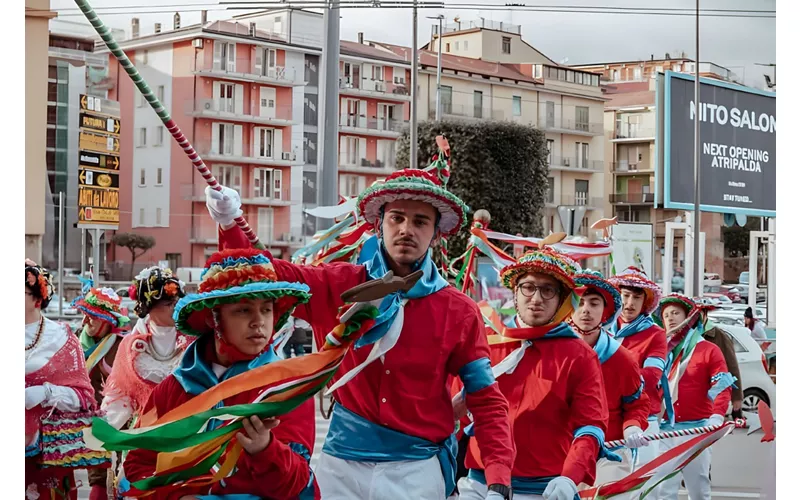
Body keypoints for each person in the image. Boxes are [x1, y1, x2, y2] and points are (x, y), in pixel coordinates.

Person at [206, 167, 514, 499]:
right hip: (341, 467)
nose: (406, 230)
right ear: (379, 225)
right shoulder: (339, 283)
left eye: (420, 222)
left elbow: (486, 400)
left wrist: (498, 478)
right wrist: (230, 222)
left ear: (437, 233)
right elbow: (262, 274)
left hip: (417, 472)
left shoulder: (460, 310)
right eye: (396, 218)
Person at [121, 247, 318, 499]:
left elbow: (297, 486)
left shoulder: (287, 388)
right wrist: (177, 496)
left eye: (266, 309)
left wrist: (265, 449)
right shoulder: (175, 388)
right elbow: (138, 465)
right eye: (244, 310)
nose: (259, 321)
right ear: (214, 318)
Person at [456, 248, 608, 500]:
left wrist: (570, 478)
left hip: (544, 491)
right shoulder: (485, 342)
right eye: (528, 287)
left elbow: (591, 426)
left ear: (562, 299)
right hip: (480, 487)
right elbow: (455, 415)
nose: (536, 298)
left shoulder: (579, 356)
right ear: (515, 293)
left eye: (547, 290)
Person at [568, 270, 650, 491]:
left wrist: (632, 427)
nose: (585, 309)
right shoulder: (553, 353)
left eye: (594, 303)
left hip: (610, 452)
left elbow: (637, 404)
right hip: (563, 452)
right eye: (580, 302)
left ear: (605, 312)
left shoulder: (621, 358)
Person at [654, 294, 735, 500]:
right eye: (666, 315)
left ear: (689, 317)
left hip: (696, 430)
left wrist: (717, 415)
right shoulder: (659, 351)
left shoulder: (708, 349)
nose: (670, 318)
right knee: (664, 490)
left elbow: (721, 386)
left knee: (698, 489)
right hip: (664, 431)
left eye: (676, 313)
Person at [25, 261, 96, 499]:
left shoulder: (61, 338)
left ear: (38, 297)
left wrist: (45, 393)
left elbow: (84, 398)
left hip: (46, 454)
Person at [73, 283, 131, 500]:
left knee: (121, 471)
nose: (86, 321)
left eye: (93, 317)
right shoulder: (76, 341)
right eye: (85, 315)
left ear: (109, 321)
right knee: (96, 474)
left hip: (119, 417)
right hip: (87, 415)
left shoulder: (122, 345)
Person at [607, 267, 666, 467]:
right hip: (605, 419)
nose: (629, 303)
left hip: (643, 420)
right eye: (625, 296)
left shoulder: (655, 334)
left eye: (636, 298)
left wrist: (609, 382)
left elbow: (651, 377)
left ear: (645, 303)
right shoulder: (603, 329)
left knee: (645, 487)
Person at [701, 320, 744, 420]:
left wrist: (736, 397)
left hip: (712, 392)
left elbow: (732, 365)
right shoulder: (684, 334)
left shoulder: (719, 335)